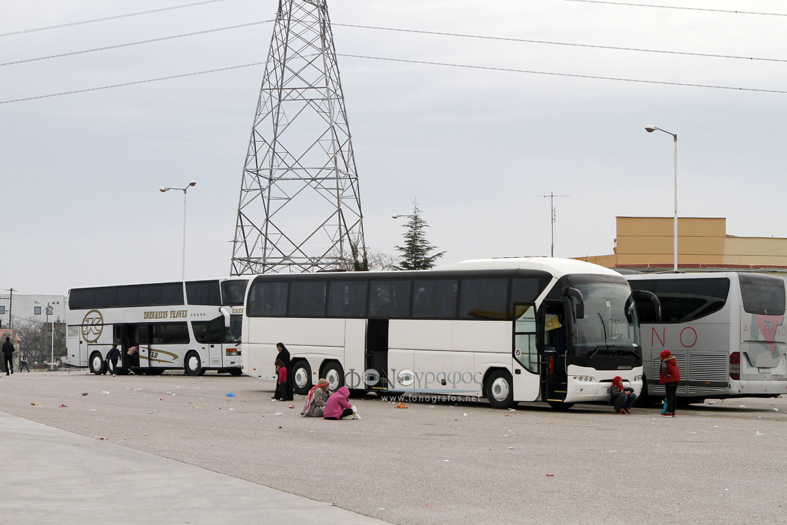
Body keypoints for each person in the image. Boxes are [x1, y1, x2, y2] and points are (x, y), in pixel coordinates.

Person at [659, 350, 681, 417]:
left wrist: (666, 375)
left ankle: (669, 411)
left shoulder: (665, 361)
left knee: (669, 396)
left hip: (670, 380)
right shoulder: (673, 361)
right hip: (676, 380)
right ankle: (673, 411)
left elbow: (664, 367)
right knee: (673, 396)